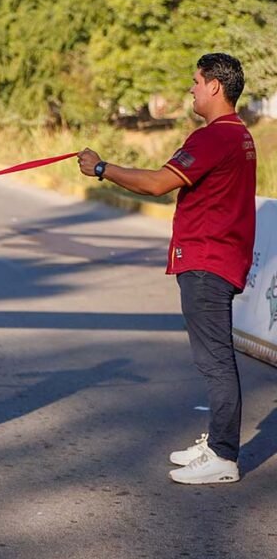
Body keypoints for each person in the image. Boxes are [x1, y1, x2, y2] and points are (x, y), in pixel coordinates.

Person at [78, 53, 256, 485]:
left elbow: (158, 183)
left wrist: (102, 168)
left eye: (196, 81)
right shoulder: (238, 135)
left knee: (214, 360)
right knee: (212, 357)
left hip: (208, 260)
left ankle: (223, 456)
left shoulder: (214, 137)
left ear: (215, 86)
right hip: (216, 257)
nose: (192, 89)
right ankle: (217, 443)